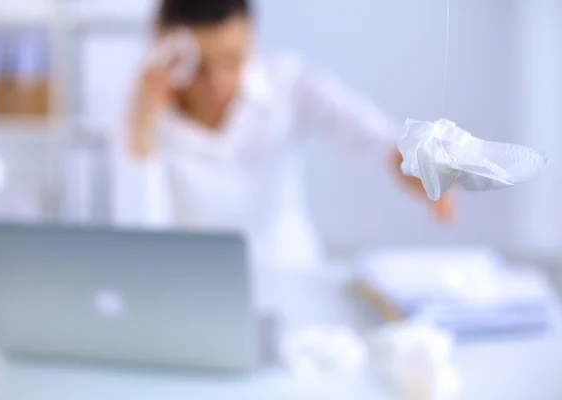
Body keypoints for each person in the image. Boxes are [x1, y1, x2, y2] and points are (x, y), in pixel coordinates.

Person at [111, 0, 456, 269]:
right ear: (163, 49)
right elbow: (141, 245)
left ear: (252, 42)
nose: (216, 82)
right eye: (199, 66)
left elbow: (363, 129)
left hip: (290, 276)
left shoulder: (287, 82)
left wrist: (405, 155)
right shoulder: (141, 115)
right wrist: (140, 130)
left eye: (232, 60)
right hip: (193, 295)